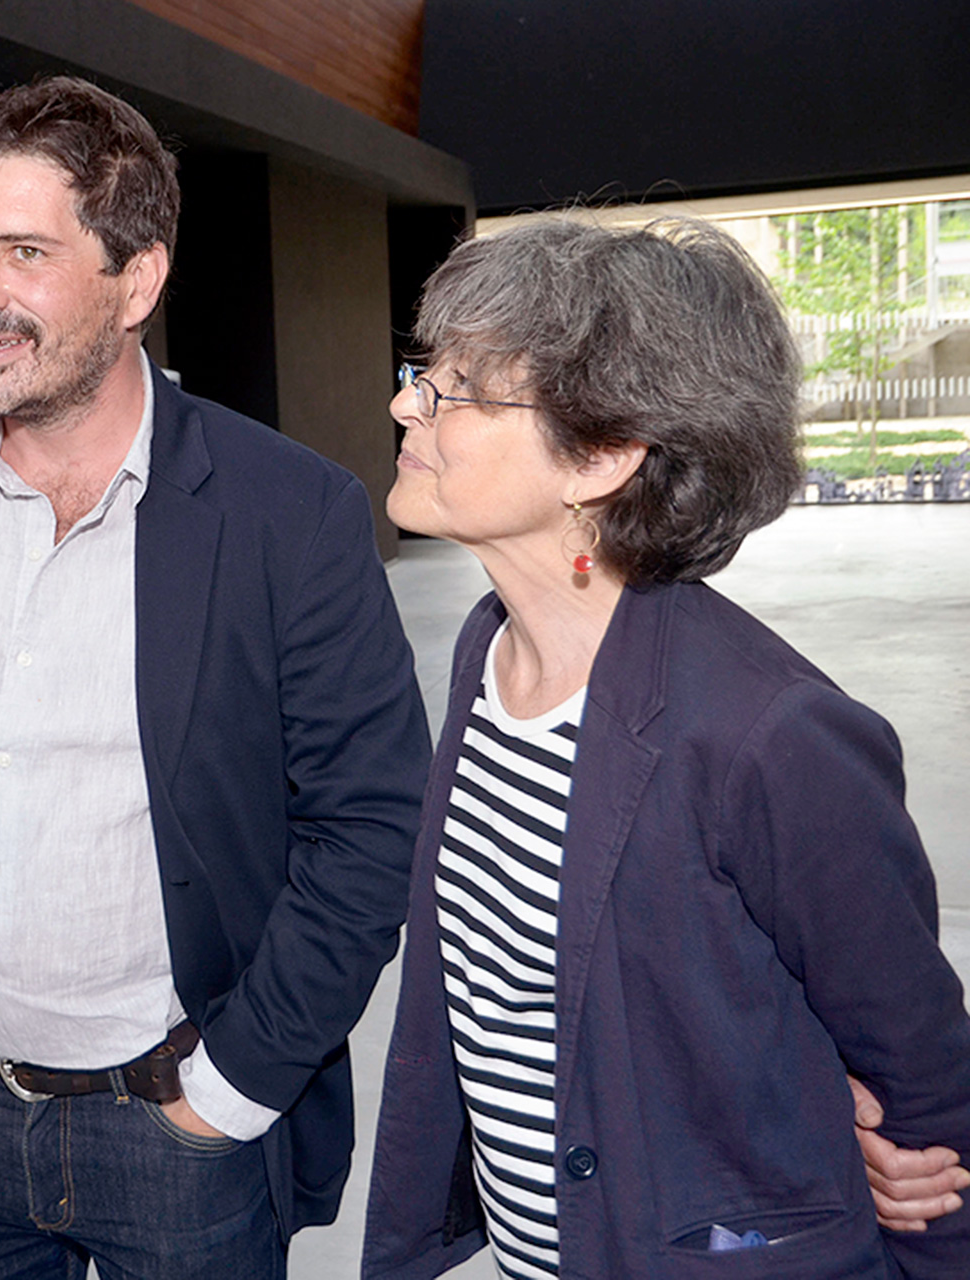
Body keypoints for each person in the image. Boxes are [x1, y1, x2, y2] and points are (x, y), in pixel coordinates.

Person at [0, 76, 432, 1277]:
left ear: (137, 280)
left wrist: (232, 1087)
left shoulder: (289, 513)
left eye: (25, 251)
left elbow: (373, 827)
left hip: (179, 1126)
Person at [360, 217, 970, 1278]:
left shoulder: (769, 733)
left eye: (456, 387)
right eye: (425, 371)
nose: (408, 402)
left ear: (601, 456)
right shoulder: (487, 653)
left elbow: (920, 1075)